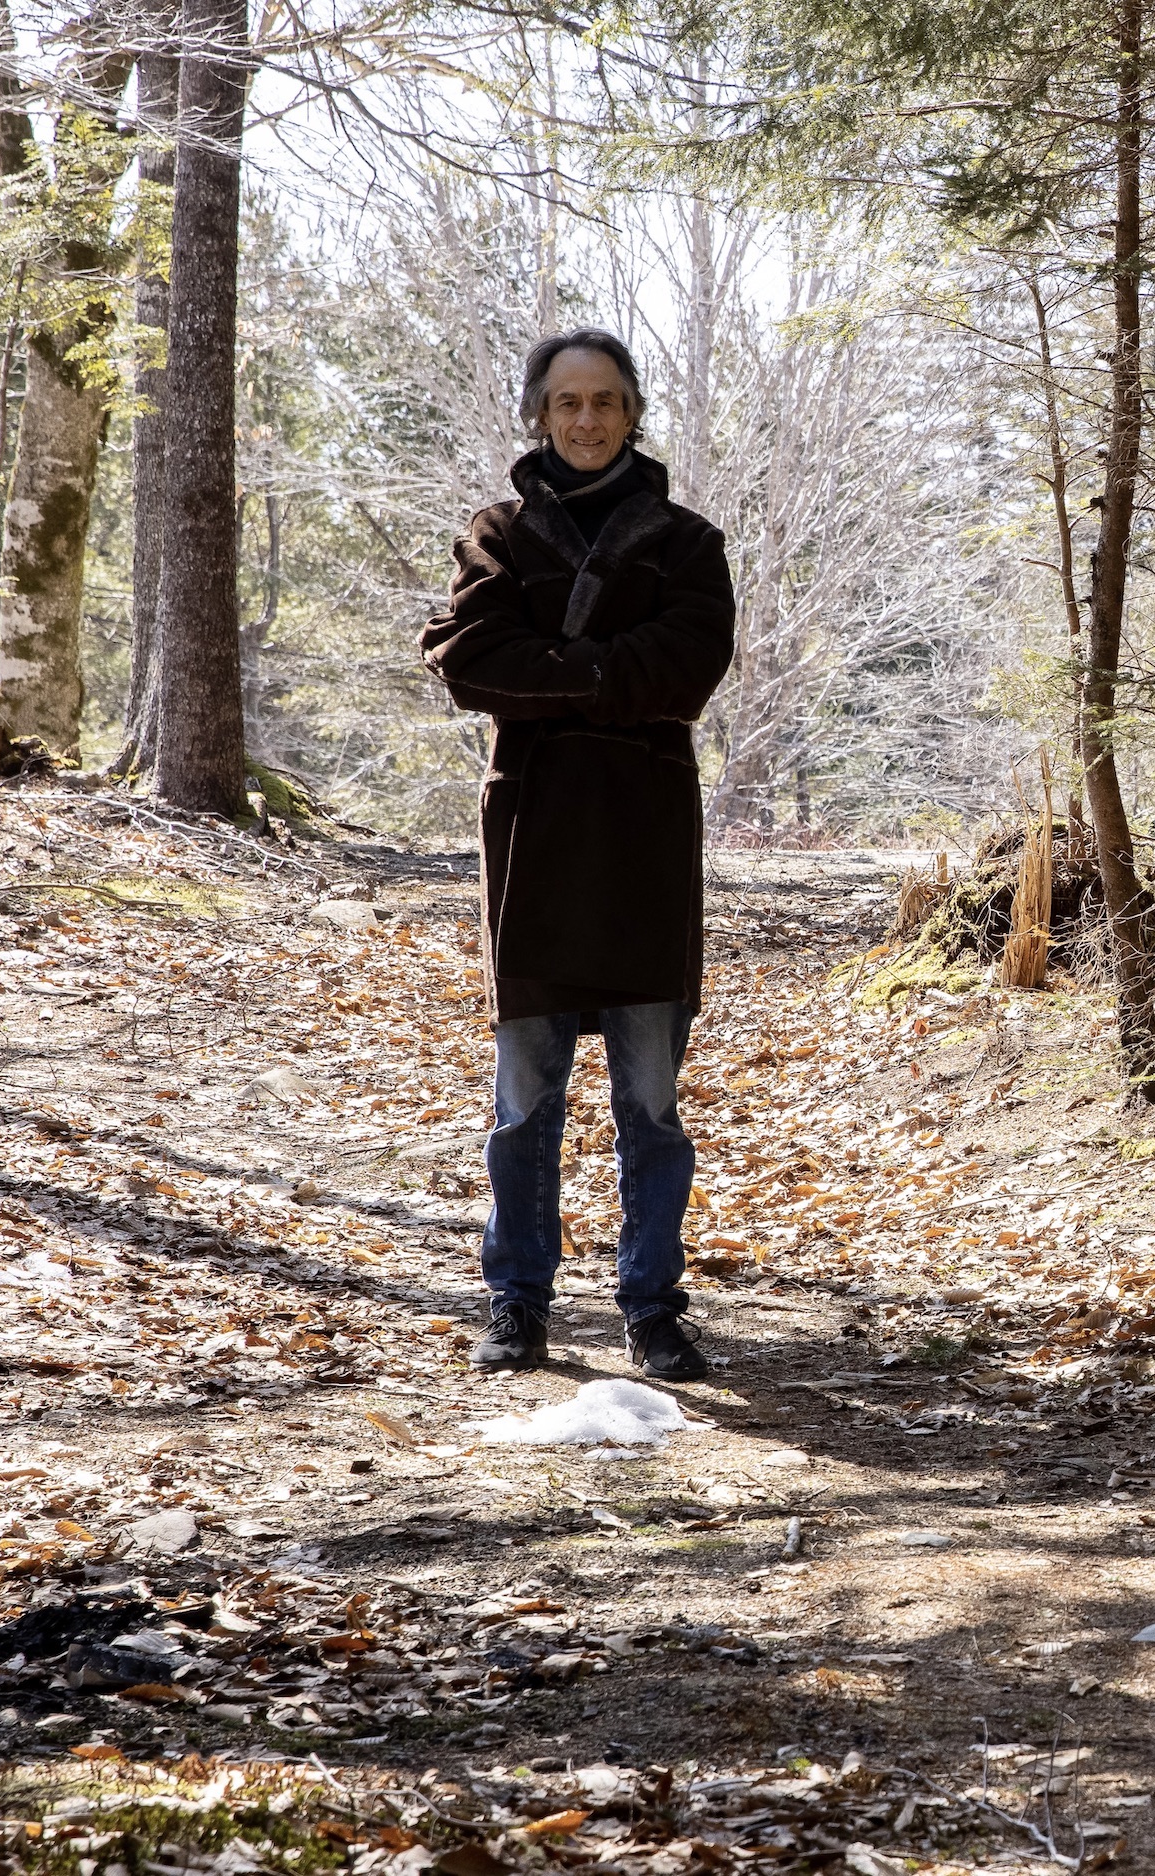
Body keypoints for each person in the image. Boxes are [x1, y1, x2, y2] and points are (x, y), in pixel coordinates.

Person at [420, 328, 735, 1381]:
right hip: (538, 837)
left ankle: (652, 1308)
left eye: (605, 401)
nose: (588, 421)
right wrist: (608, 677)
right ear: (540, 416)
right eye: (568, 404)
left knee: (650, 1105)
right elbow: (470, 660)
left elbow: (687, 664)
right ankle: (517, 1302)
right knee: (524, 1103)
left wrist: (550, 672)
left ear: (633, 411)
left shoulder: (688, 543)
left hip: (646, 840)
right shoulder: (497, 535)